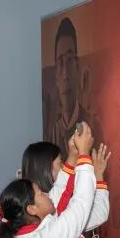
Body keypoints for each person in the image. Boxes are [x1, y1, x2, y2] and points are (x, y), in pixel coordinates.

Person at [46, 18, 103, 153]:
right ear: (56, 77)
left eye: (70, 60)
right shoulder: (53, 134)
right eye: (61, 63)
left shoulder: (93, 127)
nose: (66, 75)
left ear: (78, 68)